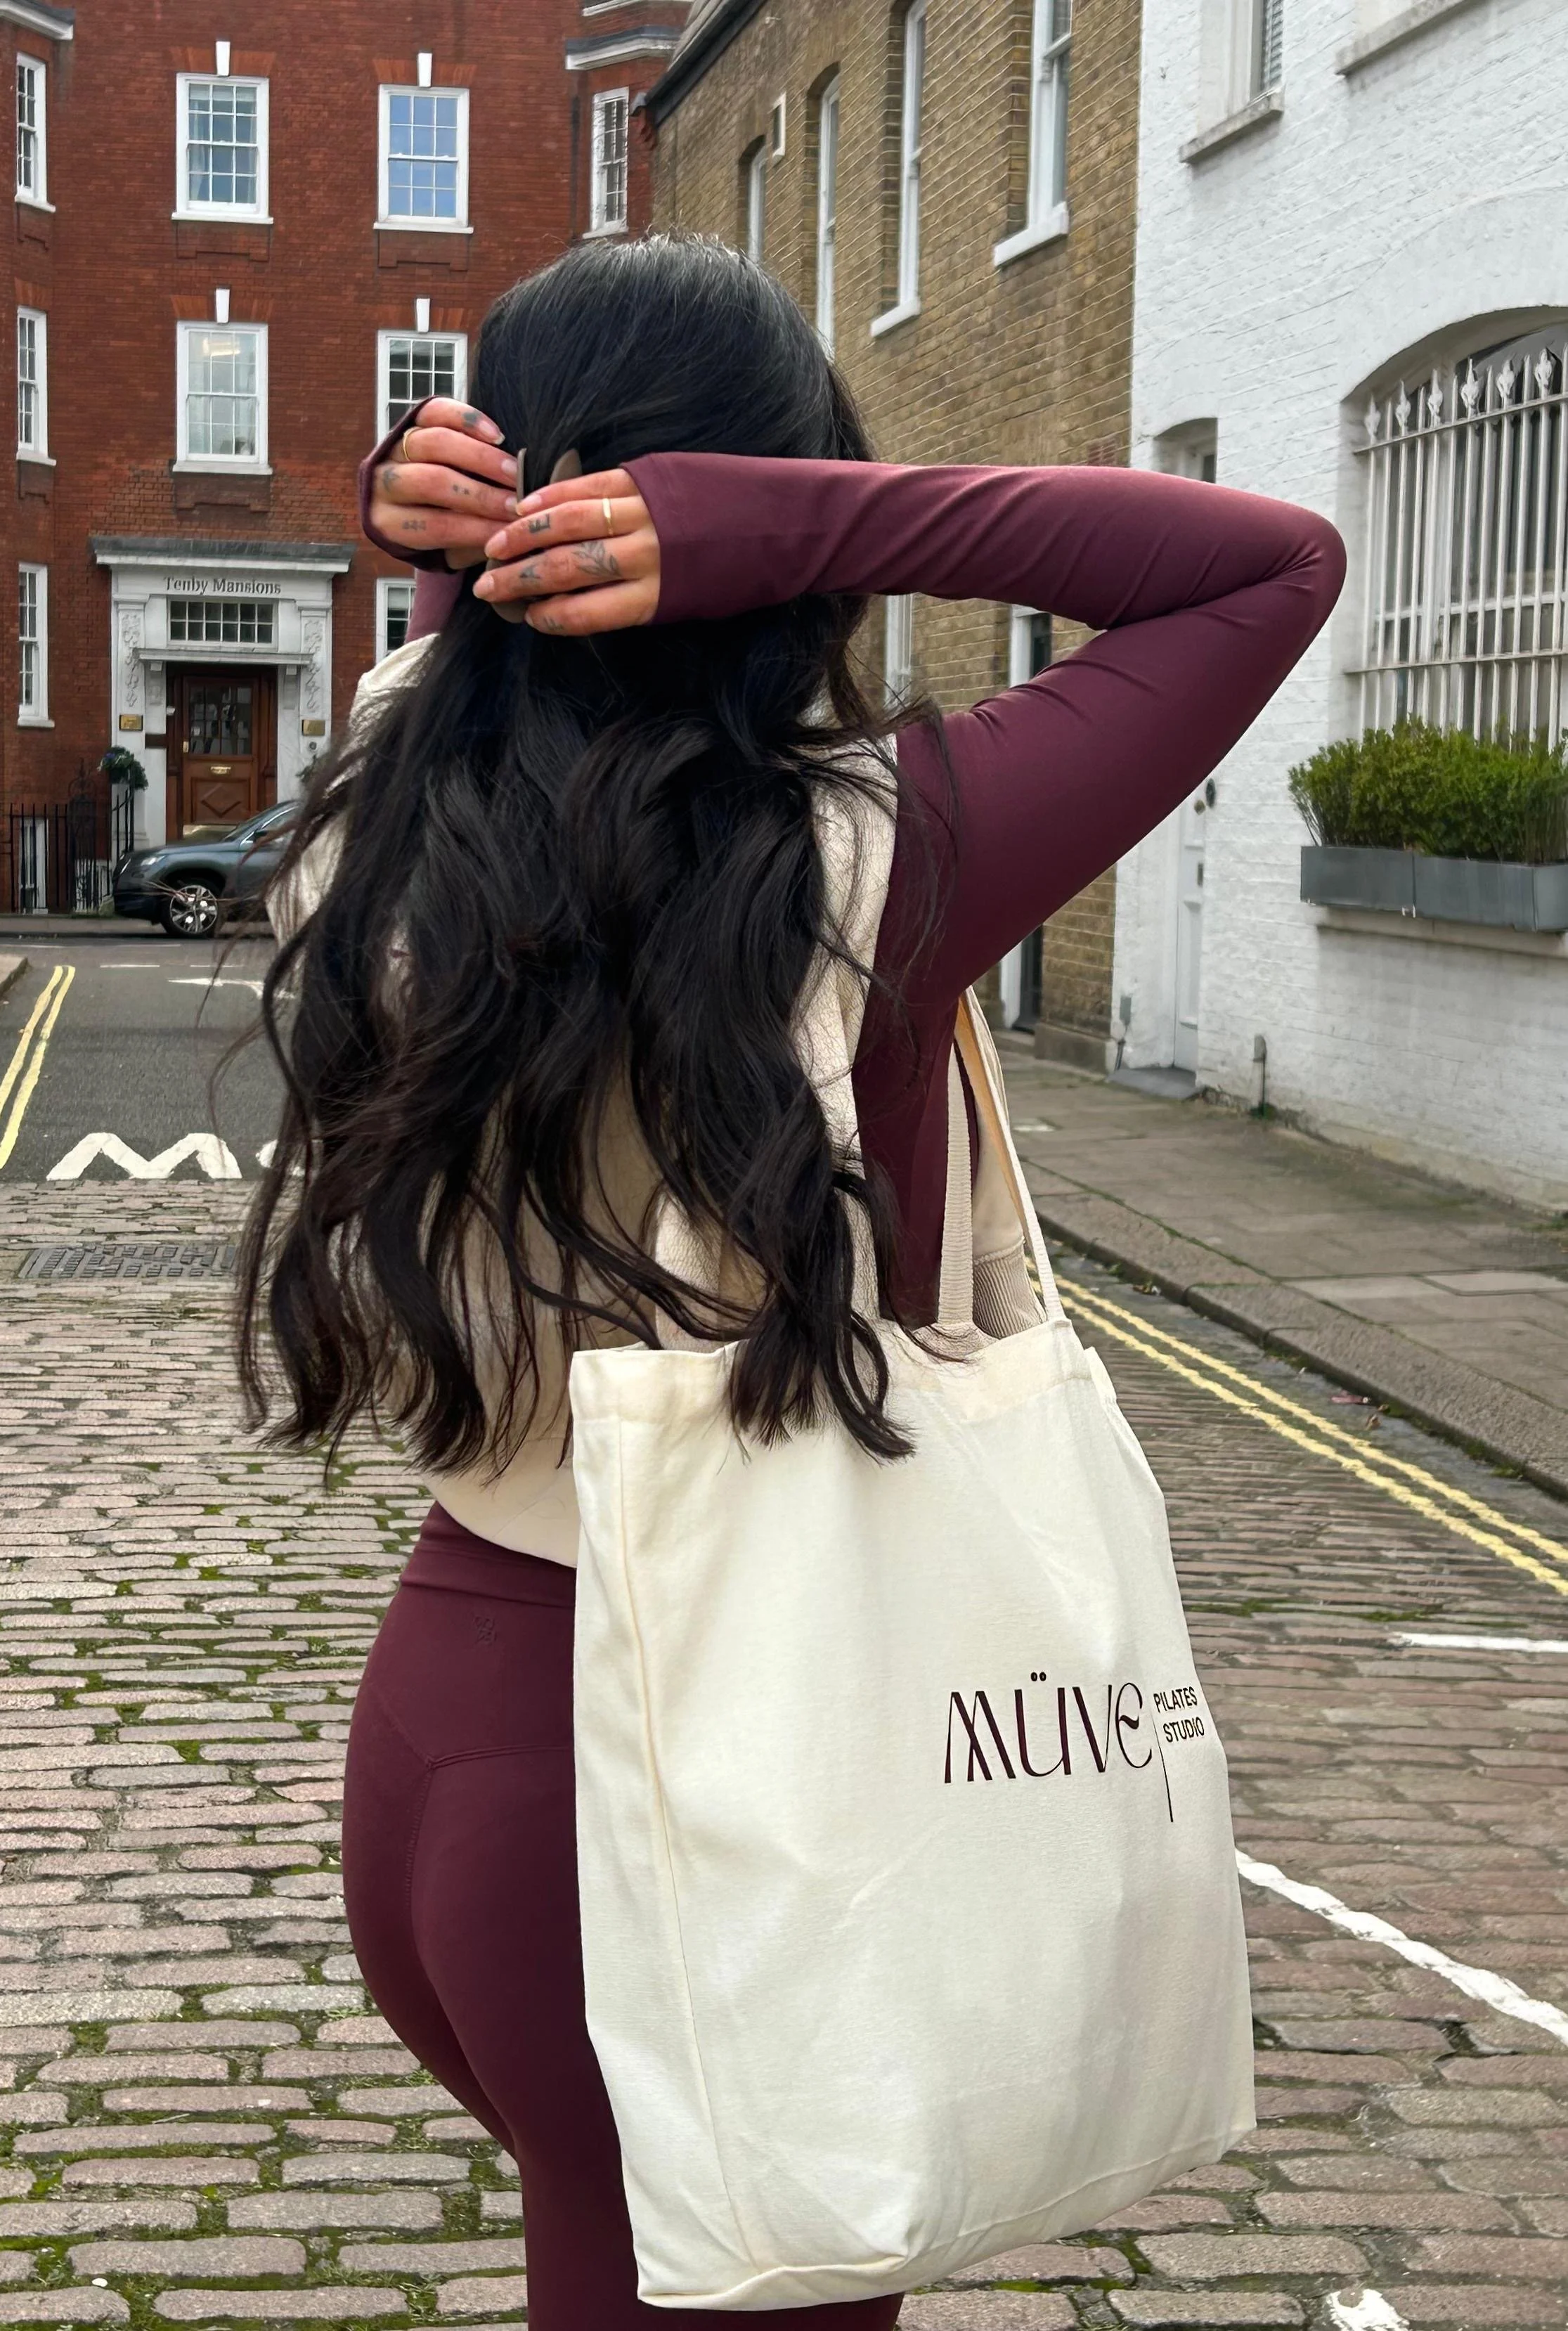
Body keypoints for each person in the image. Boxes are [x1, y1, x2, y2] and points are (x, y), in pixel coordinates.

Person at [239, 236, 1345, 2331]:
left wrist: (450, 568)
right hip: (714, 1769)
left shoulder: (381, 815)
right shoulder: (879, 849)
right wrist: (802, 524)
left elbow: (476, 699)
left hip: (461, 1730)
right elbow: (1263, 563)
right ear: (767, 505)